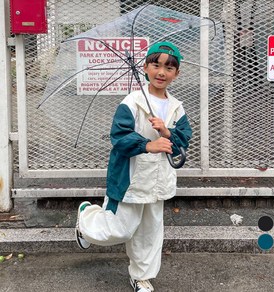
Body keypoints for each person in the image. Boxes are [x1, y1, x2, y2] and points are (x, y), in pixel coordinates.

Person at [75, 41, 192, 292]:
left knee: (150, 232)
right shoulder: (132, 102)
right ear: (145, 67)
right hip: (130, 179)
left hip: (159, 181)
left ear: (177, 73)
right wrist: (147, 145)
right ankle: (86, 220)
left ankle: (141, 277)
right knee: (119, 230)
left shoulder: (176, 107)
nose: (161, 72)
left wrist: (167, 131)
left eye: (169, 68)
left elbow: (184, 138)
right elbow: (118, 136)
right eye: (156, 65)